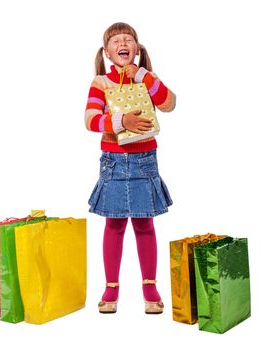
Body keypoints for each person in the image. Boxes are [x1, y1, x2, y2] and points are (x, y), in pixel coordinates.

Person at [85, 22, 176, 314]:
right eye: (116, 41)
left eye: (128, 40)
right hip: (113, 161)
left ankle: (150, 286)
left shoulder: (146, 79)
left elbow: (169, 103)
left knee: (144, 223)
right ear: (108, 53)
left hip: (144, 159)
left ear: (136, 49)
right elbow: (90, 120)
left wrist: (144, 75)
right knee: (114, 224)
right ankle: (111, 288)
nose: (122, 43)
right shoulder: (101, 82)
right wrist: (120, 122)